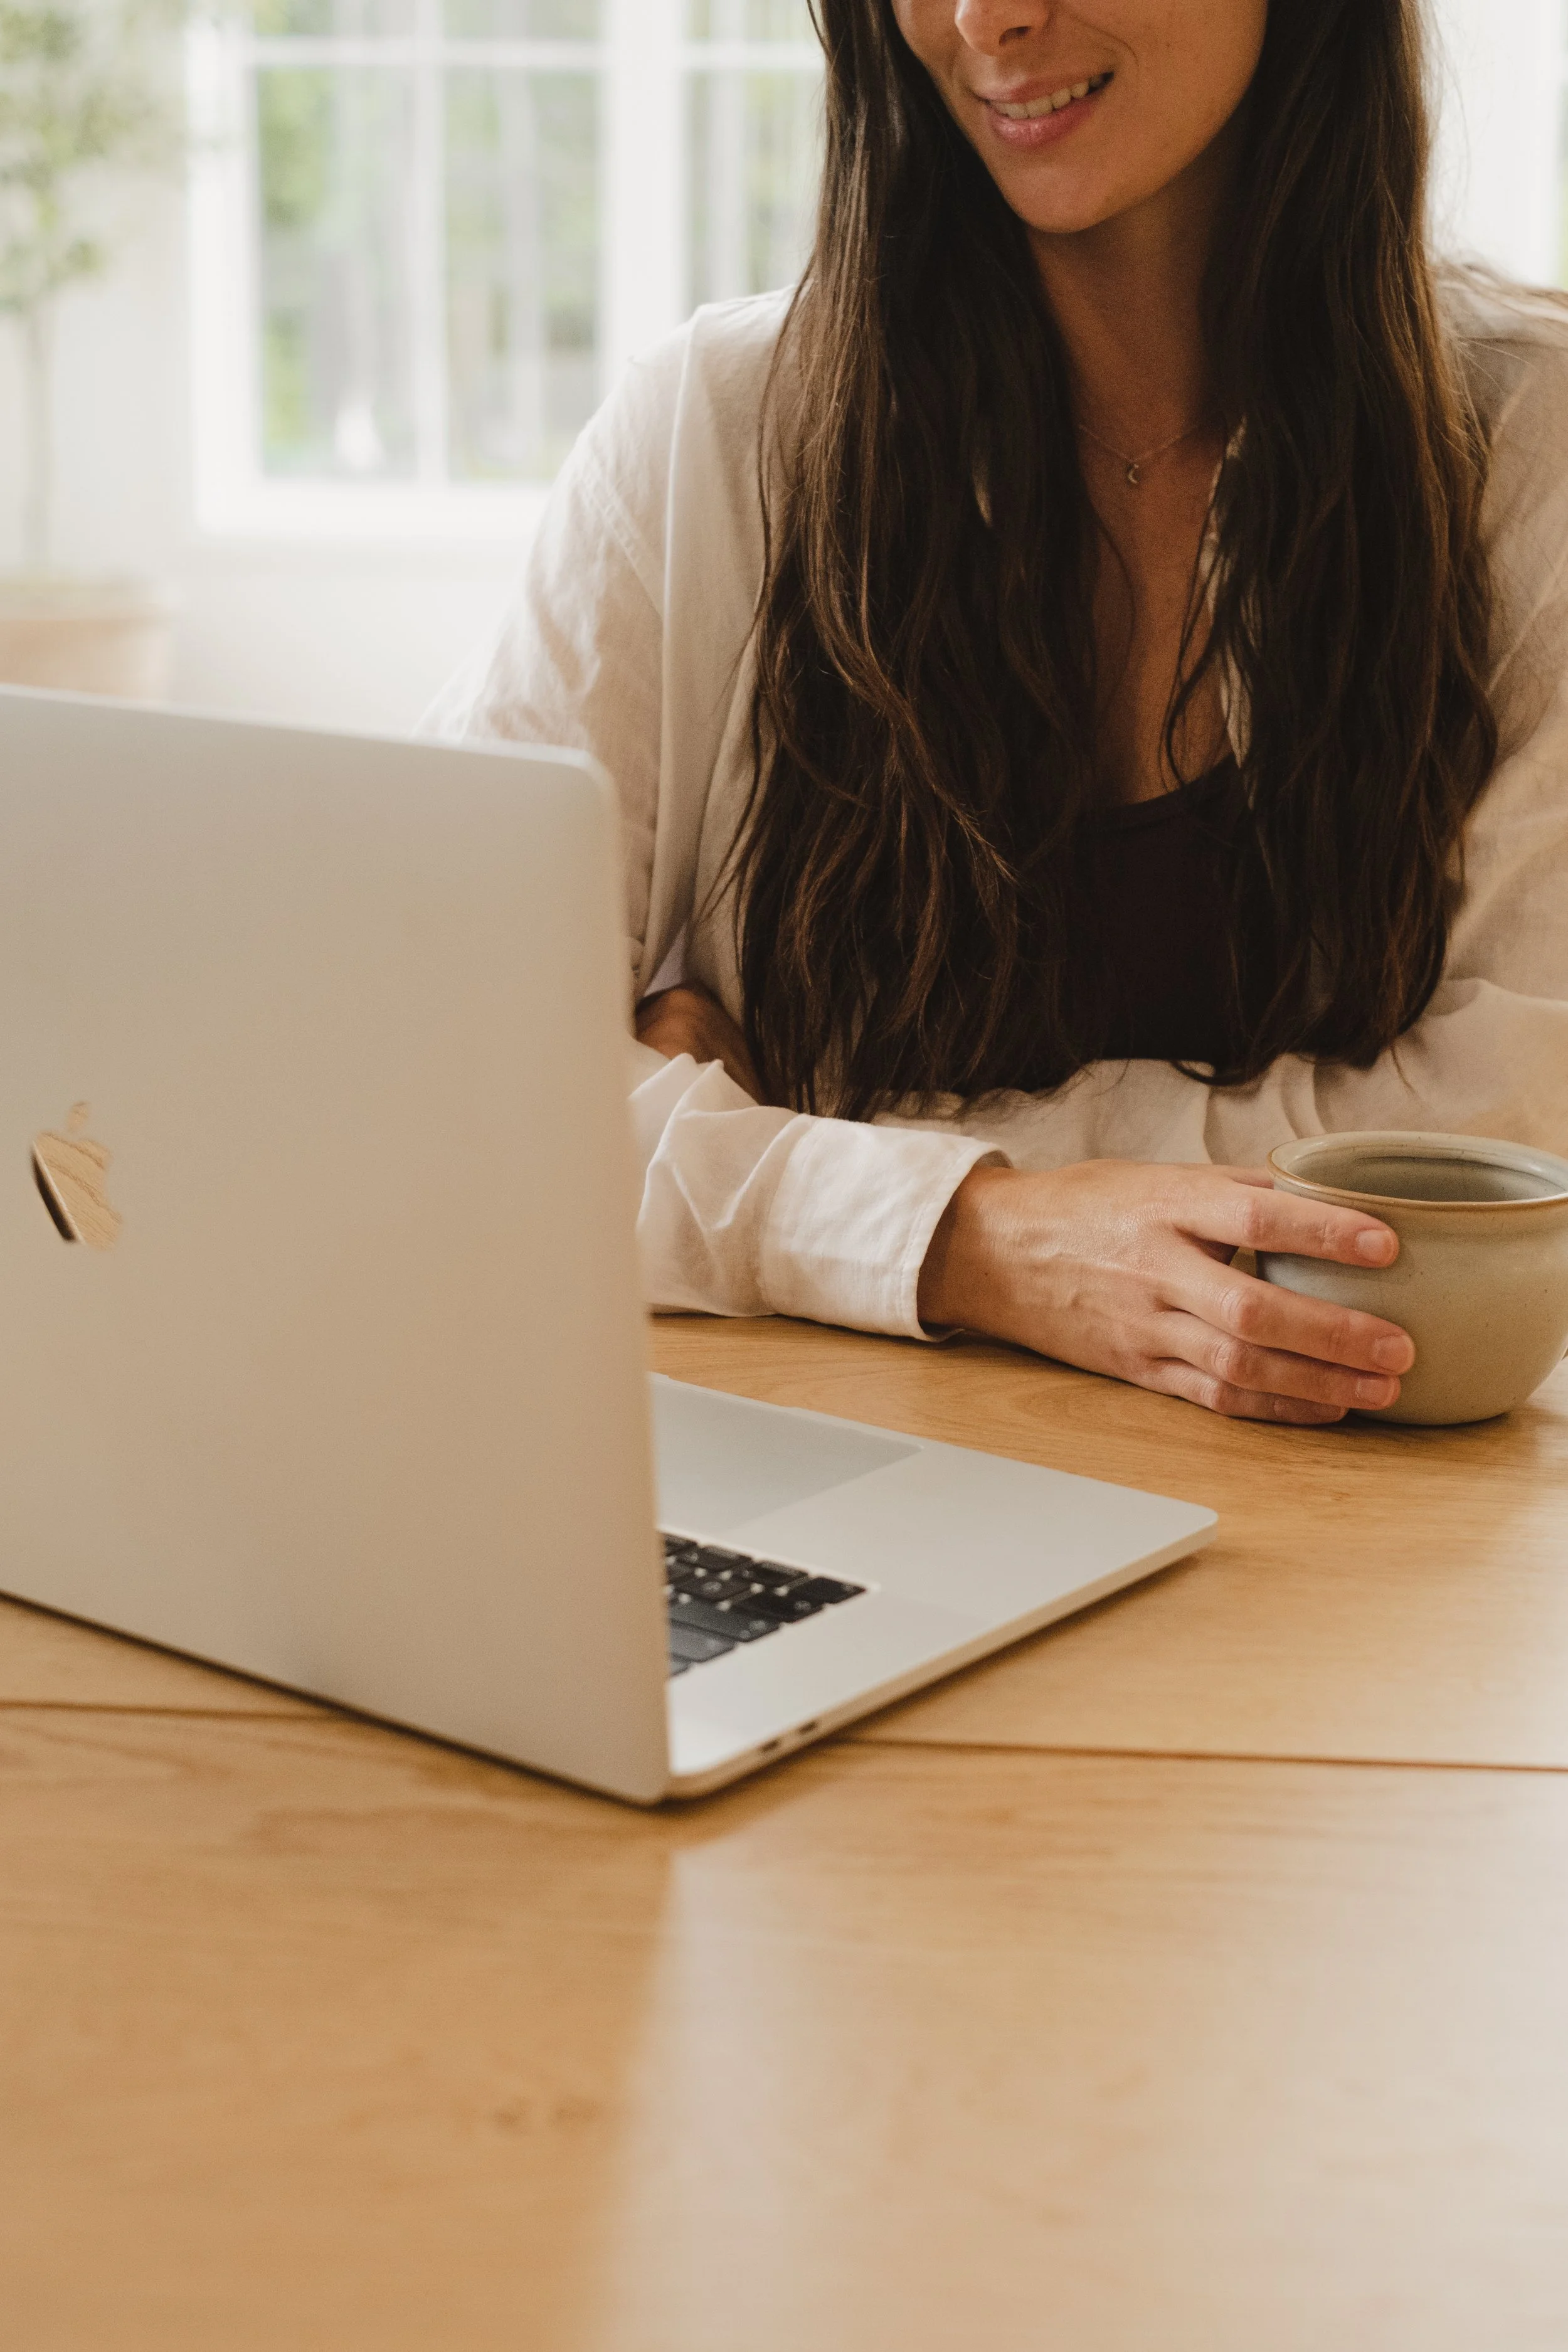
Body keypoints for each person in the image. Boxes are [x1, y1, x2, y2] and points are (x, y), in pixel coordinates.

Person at [430, 0, 1568, 1426]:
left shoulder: (1529, 445)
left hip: (1351, 1564)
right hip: (824, 1487)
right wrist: (975, 1242)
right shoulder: (710, 432)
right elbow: (446, 1078)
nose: (984, 16)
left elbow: (1498, 1153)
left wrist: (811, 1149)